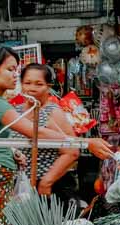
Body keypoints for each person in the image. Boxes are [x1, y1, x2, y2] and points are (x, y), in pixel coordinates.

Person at [0, 45, 114, 225]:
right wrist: (86, 142)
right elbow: (36, 132)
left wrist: (11, 151)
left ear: (48, 87)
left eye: (16, 70)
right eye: (10, 70)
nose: (15, 75)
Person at [12, 64, 79, 204]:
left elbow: (72, 151)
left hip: (49, 189)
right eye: (27, 83)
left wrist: (47, 181)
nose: (32, 88)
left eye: (39, 84)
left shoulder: (53, 112)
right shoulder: (15, 112)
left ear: (48, 86)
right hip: (21, 187)